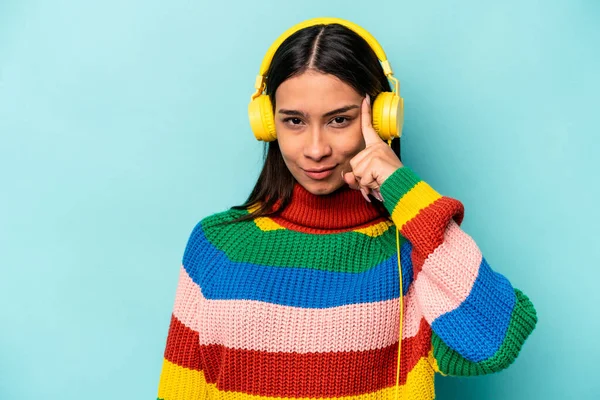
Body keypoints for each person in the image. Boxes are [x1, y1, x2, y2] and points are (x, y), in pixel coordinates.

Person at [155, 17, 538, 400]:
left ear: (383, 118)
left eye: (339, 120)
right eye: (294, 121)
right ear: (268, 124)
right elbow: (180, 389)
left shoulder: (415, 253)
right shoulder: (217, 245)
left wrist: (403, 190)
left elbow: (495, 342)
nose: (316, 149)